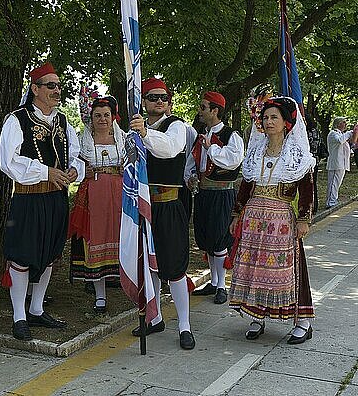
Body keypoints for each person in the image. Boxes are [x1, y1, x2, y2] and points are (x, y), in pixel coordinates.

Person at [0, 62, 84, 341]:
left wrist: (74, 170)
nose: (57, 90)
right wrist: (45, 171)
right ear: (34, 89)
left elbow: (76, 155)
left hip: (56, 199)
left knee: (49, 255)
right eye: (51, 85)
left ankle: (36, 308)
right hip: (28, 199)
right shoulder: (17, 119)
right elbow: (8, 161)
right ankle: (18, 316)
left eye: (59, 86)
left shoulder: (63, 122)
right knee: (22, 257)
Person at [228, 97, 316, 344]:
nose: (268, 122)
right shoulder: (256, 152)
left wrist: (304, 218)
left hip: (281, 221)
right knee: (254, 269)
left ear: (287, 122)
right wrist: (237, 215)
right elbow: (245, 187)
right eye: (265, 117)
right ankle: (257, 317)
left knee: (291, 270)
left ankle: (303, 321)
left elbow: (307, 189)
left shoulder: (297, 155)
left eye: (274, 117)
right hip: (254, 220)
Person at [128, 77, 195, 350]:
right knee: (148, 264)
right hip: (143, 206)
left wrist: (144, 134)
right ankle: (154, 317)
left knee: (174, 266)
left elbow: (169, 149)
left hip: (168, 205)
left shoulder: (176, 125)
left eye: (163, 97)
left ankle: (185, 325)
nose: (159, 101)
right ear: (143, 101)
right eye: (153, 97)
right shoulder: (135, 129)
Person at [68, 96, 125, 313]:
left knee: (122, 237)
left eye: (106, 115)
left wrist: (124, 169)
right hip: (95, 194)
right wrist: (85, 171)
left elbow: (135, 164)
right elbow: (76, 165)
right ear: (91, 118)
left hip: (119, 194)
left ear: (113, 118)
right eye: (98, 115)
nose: (102, 119)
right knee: (95, 240)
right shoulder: (84, 141)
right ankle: (100, 295)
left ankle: (129, 286)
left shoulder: (124, 138)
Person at [187, 92, 244, 305]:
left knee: (220, 238)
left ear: (215, 110)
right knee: (207, 238)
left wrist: (211, 148)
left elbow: (232, 161)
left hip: (222, 193)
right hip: (203, 193)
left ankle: (221, 285)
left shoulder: (231, 136)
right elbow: (194, 162)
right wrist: (191, 177)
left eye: (203, 107)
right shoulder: (201, 135)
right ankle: (213, 281)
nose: (199, 111)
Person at [325, 117, 358, 209]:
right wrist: (348, 133)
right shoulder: (333, 133)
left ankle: (333, 200)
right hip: (335, 163)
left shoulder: (341, 134)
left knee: (337, 183)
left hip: (342, 163)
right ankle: (330, 202)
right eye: (343, 122)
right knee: (333, 183)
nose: (345, 124)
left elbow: (350, 144)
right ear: (338, 124)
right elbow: (340, 141)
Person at [305, 115, 324, 212]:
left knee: (307, 185)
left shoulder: (306, 133)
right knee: (313, 184)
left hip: (307, 161)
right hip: (315, 160)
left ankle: (309, 207)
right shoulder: (317, 132)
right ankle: (314, 206)